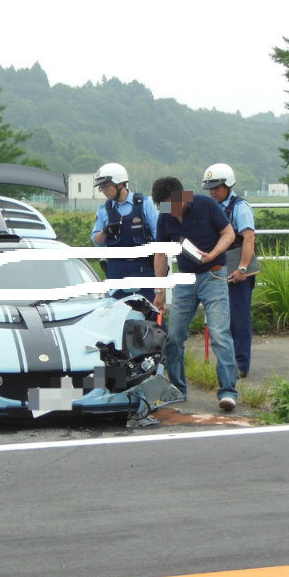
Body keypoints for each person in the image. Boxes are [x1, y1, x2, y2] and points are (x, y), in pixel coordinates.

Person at [150, 176, 239, 411]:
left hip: (214, 274)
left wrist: (213, 253)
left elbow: (228, 234)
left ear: (181, 195)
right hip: (185, 278)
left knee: (220, 333)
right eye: (163, 205)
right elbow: (160, 254)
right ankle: (178, 389)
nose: (168, 209)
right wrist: (159, 291)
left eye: (171, 203)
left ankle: (228, 392)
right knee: (174, 336)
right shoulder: (164, 217)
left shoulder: (205, 204)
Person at [203, 163, 257, 378]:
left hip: (237, 264)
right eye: (210, 188)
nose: (212, 191)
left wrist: (243, 268)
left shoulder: (240, 207)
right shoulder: (210, 205)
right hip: (219, 265)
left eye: (216, 187)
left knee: (239, 316)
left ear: (228, 185)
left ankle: (241, 364)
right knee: (221, 317)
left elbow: (248, 237)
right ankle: (227, 361)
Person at [90, 162, 160, 302]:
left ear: (120, 183)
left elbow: (159, 237)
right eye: (101, 187)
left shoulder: (145, 203)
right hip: (116, 269)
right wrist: (105, 232)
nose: (103, 190)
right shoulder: (104, 210)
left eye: (106, 186)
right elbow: (96, 241)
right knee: (117, 315)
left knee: (151, 315)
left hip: (142, 268)